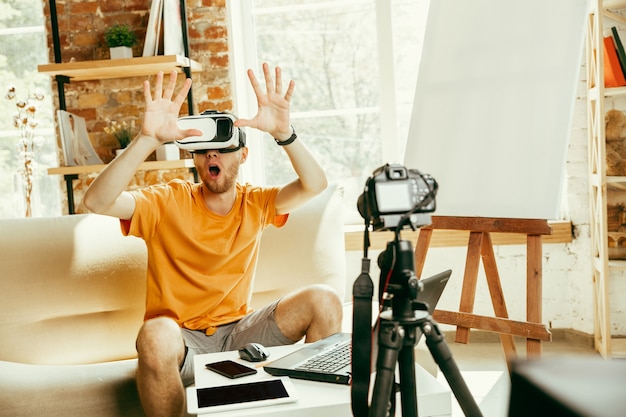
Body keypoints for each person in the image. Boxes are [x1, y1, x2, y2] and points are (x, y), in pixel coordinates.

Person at [83, 63, 343, 417]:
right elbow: (96, 202)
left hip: (239, 332)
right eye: (204, 150)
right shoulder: (167, 201)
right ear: (195, 158)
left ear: (244, 155)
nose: (212, 156)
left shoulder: (257, 202)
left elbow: (314, 184)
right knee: (155, 334)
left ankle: (315, 411)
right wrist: (147, 139)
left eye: (222, 148)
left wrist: (285, 133)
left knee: (324, 300)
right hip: (180, 340)